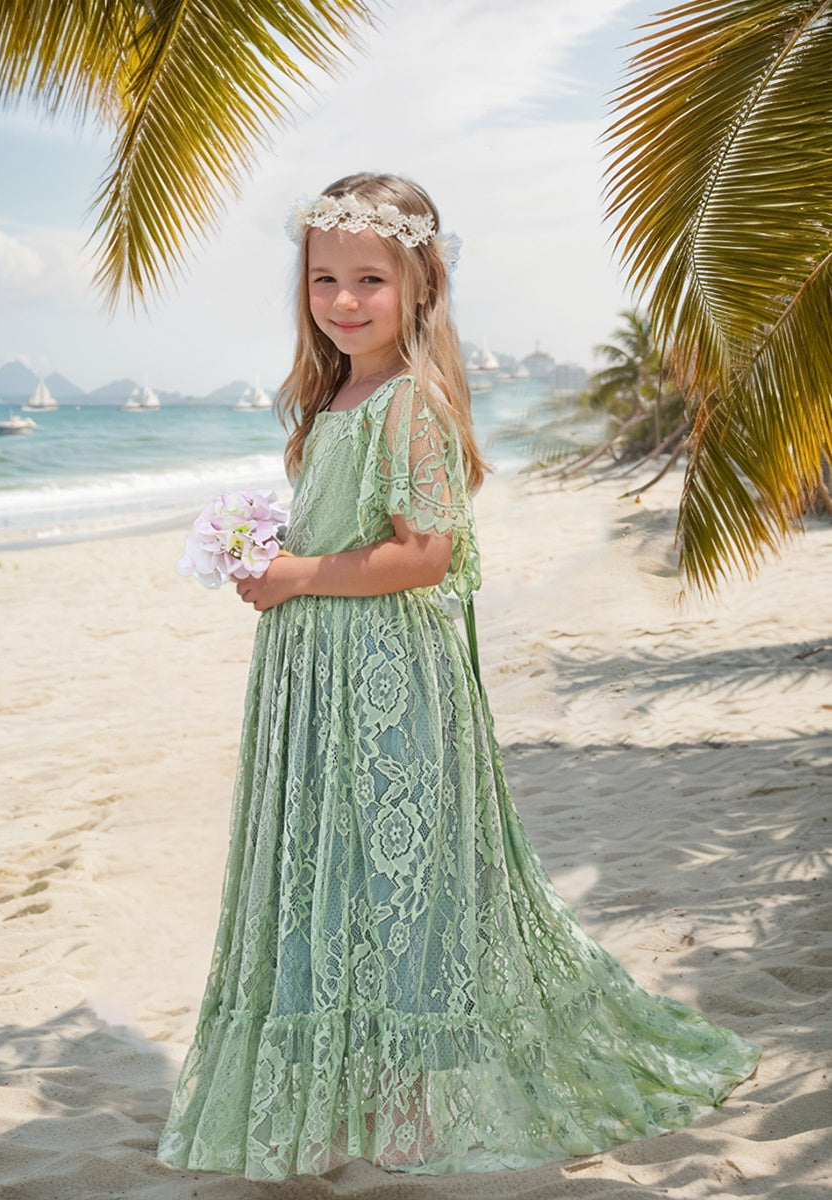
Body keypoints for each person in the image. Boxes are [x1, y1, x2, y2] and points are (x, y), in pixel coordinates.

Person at [156, 173, 759, 1180]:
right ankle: (357, 1088)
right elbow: (342, 527)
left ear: (420, 285)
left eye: (368, 281)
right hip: (317, 676)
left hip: (387, 671)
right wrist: (261, 558)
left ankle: (412, 1103)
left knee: (404, 883)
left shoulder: (411, 407)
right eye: (324, 280)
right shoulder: (330, 397)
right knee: (335, 875)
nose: (344, 302)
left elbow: (426, 554)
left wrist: (295, 574)